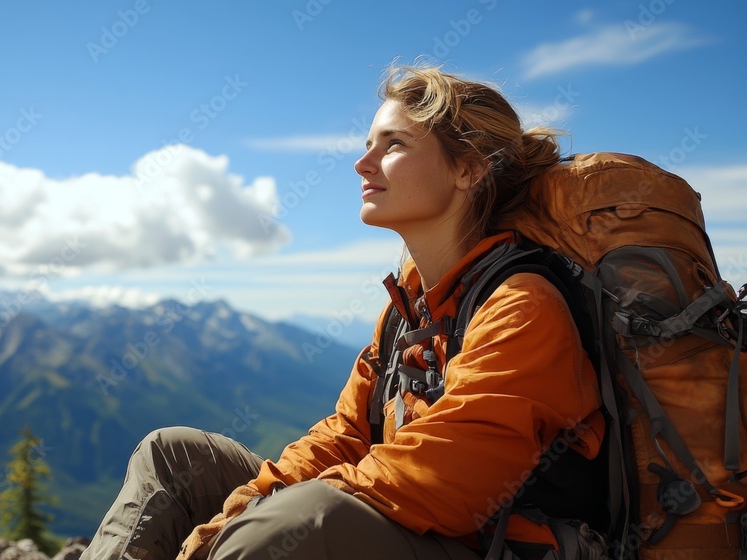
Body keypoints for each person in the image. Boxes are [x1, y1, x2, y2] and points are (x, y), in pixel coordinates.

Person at [79, 64, 607, 560]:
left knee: (299, 518)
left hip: (487, 542)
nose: (362, 163)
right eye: (367, 144)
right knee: (172, 454)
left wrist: (256, 517)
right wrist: (246, 504)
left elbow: (448, 480)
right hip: (405, 518)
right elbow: (346, 435)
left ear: (467, 170)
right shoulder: (407, 310)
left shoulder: (520, 306)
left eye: (393, 144)